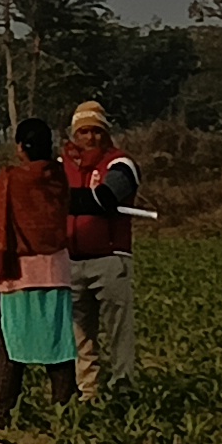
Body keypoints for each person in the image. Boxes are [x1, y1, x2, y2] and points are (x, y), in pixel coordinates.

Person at [0, 119, 80, 424]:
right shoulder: (59, 179)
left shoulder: (10, 180)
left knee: (6, 346)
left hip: (17, 273)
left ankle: (1, 411)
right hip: (56, 272)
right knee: (59, 347)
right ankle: (65, 411)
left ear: (20, 147)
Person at [63, 104, 144, 397]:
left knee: (118, 329)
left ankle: (123, 387)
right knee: (79, 333)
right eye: (83, 131)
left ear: (105, 133)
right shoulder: (63, 165)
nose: (90, 137)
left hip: (110, 259)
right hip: (71, 260)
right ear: (74, 134)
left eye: (96, 131)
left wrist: (55, 200)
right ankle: (88, 390)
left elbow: (107, 198)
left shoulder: (121, 164)